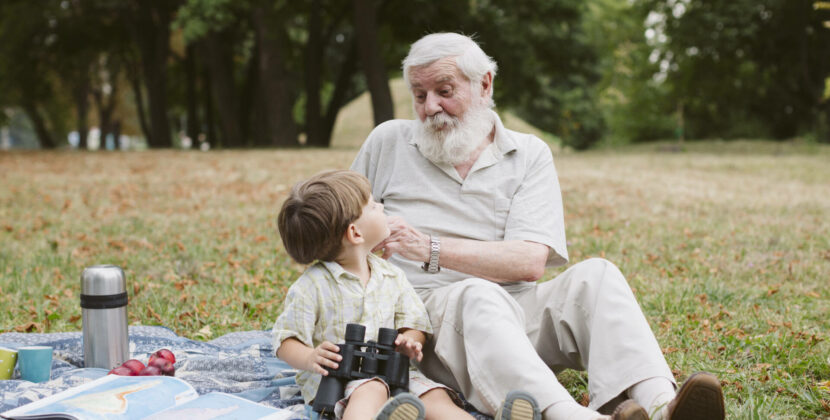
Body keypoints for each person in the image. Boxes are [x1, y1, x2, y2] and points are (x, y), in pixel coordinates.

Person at [350, 32, 726, 420]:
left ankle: (663, 405)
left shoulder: (528, 153)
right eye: (419, 95)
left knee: (597, 276)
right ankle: (572, 417)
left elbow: (530, 260)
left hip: (515, 317)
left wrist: (428, 247)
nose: (430, 107)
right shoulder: (388, 142)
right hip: (425, 330)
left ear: (484, 84)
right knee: (475, 294)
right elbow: (338, 226)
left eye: (444, 91)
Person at [272, 170, 525, 420]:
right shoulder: (312, 286)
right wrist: (310, 357)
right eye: (372, 206)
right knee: (370, 389)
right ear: (355, 233)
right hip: (338, 381)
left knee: (433, 394)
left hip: (392, 371)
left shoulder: (391, 275)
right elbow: (285, 340)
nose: (380, 206)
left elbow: (414, 323)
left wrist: (409, 342)